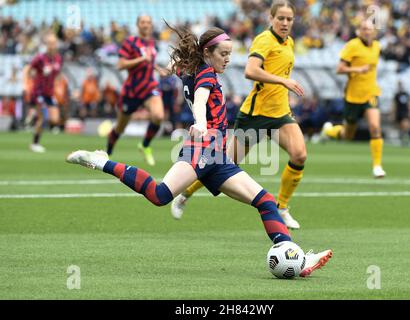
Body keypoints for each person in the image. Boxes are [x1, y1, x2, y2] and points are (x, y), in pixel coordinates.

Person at [66, 24, 332, 277]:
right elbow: (202, 98)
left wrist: (171, 68)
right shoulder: (205, 73)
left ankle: (293, 254)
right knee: (160, 195)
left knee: (265, 201)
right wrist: (201, 123)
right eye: (223, 54)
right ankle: (101, 162)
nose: (228, 59)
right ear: (207, 53)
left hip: (218, 157)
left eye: (229, 53)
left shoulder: (192, 68)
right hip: (202, 147)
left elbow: (184, 74)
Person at [171, 0, 307, 230]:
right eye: (280, 18)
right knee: (223, 162)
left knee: (299, 155)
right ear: (271, 19)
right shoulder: (264, 40)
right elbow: (250, 71)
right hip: (256, 114)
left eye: (289, 19)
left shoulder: (290, 42)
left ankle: (282, 207)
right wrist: (283, 81)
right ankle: (185, 193)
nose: (285, 22)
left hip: (281, 113)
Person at [320, 20, 386, 178]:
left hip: (370, 93)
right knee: (347, 136)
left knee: (375, 127)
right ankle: (329, 131)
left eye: (369, 29)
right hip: (353, 96)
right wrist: (358, 69)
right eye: (363, 28)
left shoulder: (377, 46)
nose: (367, 31)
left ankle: (377, 166)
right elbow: (339, 69)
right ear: (358, 31)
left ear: (374, 32)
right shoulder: (352, 46)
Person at [106, 15, 167, 166]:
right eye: (143, 22)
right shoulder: (130, 42)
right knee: (120, 127)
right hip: (132, 91)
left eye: (148, 22)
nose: (146, 25)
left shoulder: (152, 43)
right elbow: (120, 65)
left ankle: (145, 145)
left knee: (158, 115)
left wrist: (159, 69)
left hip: (149, 87)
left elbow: (149, 62)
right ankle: (107, 153)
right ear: (138, 24)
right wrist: (140, 59)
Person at [24, 33, 63, 153]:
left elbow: (57, 74)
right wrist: (26, 84)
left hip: (49, 92)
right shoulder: (40, 58)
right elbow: (28, 69)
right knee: (42, 118)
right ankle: (35, 143)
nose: (52, 46)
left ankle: (32, 116)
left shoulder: (58, 58)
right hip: (39, 91)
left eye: (54, 43)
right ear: (46, 45)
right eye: (50, 43)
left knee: (55, 119)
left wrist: (57, 85)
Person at [391, 81, 410, 146]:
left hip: (405, 112)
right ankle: (402, 140)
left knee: (406, 126)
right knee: (400, 127)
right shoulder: (397, 95)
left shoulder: (406, 94)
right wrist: (393, 113)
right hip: (398, 112)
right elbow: (394, 105)